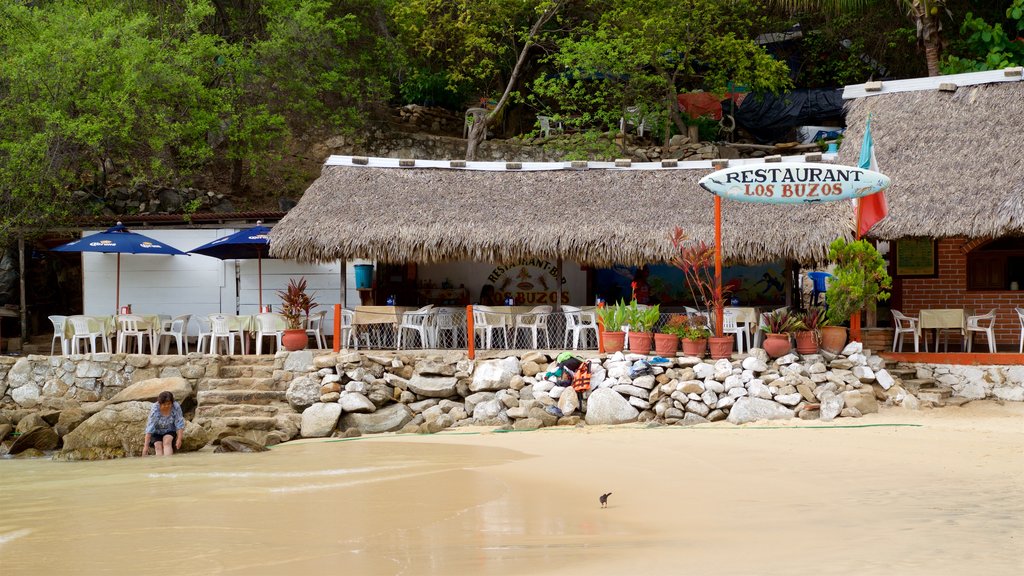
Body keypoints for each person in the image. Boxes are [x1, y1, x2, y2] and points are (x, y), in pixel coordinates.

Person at [142, 391, 185, 457]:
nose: (167, 406)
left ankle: (168, 463)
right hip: (156, 432)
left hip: (170, 430)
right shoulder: (155, 408)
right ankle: (161, 465)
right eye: (164, 404)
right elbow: (150, 426)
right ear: (159, 403)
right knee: (158, 446)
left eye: (169, 404)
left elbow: (179, 423)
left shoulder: (175, 406)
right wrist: (146, 447)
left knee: (167, 442)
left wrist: (179, 439)